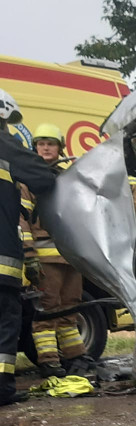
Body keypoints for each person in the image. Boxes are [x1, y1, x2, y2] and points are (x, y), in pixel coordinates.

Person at [20, 123, 91, 377]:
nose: (46, 148)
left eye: (51, 143)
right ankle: (49, 361)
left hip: (71, 258)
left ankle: (75, 357)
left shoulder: (67, 177)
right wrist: (29, 256)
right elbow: (23, 220)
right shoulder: (28, 179)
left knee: (70, 308)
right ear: (35, 148)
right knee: (47, 310)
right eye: (41, 144)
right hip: (45, 258)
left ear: (60, 148)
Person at [0, 91, 57, 406]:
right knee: (5, 321)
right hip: (2, 261)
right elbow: (42, 178)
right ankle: (1, 389)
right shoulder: (5, 144)